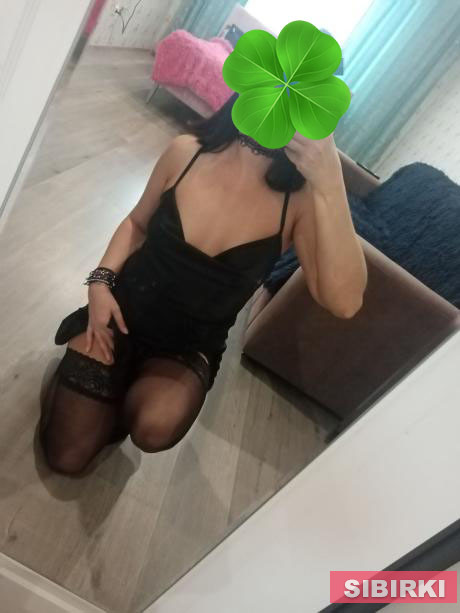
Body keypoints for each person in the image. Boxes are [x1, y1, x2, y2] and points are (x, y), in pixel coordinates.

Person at [38, 91, 367, 476]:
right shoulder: (185, 151)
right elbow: (136, 223)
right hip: (121, 314)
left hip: (187, 347)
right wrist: (100, 283)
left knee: (154, 428)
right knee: (66, 458)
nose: (281, 100)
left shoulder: (299, 204)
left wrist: (331, 181)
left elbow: (345, 302)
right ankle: (104, 390)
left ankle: (121, 396)